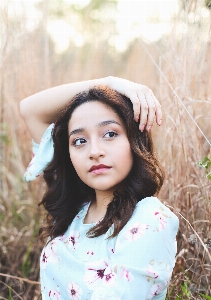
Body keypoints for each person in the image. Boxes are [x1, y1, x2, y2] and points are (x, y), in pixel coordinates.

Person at [20, 76, 179, 300]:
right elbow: (29, 110)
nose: (94, 151)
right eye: (79, 141)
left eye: (110, 134)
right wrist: (109, 82)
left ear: (135, 141)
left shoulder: (150, 219)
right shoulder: (73, 211)